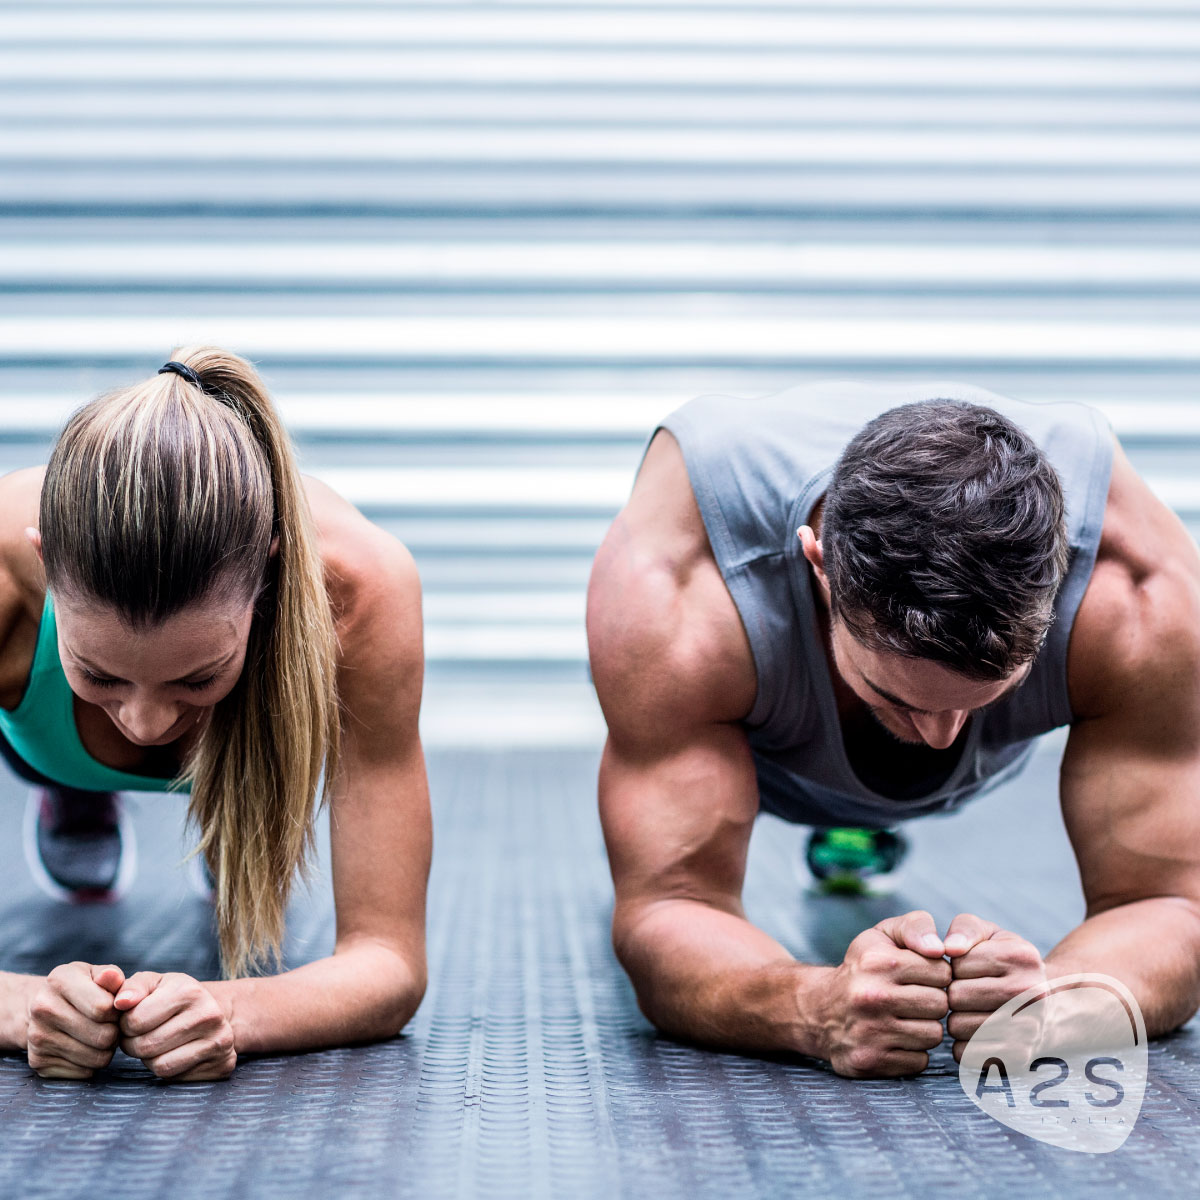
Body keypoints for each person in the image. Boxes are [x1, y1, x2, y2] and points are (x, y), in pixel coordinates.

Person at [586, 380, 1200, 1079]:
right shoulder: (676, 590)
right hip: (774, 743)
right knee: (709, 720)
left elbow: (1169, 903)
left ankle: (876, 776)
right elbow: (670, 905)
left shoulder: (1138, 590)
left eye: (978, 697)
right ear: (818, 566)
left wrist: (1058, 1004)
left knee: (915, 744)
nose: (940, 738)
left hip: (962, 735)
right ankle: (849, 808)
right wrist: (813, 1005)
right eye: (899, 696)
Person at [0, 348, 430, 1081]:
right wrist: (21, 1005)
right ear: (45, 563)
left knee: (231, 778)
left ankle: (225, 804)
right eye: (99, 674)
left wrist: (226, 1012)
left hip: (252, 735)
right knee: (80, 731)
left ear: (267, 576)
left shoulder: (360, 590)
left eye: (196, 678)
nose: (143, 722)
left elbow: (388, 962)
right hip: (42, 735)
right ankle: (77, 789)